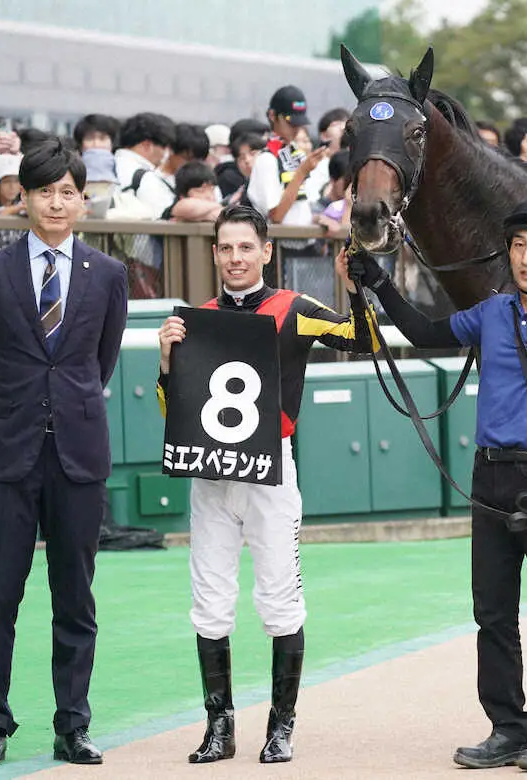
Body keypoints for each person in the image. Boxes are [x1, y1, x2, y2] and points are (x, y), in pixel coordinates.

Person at [340, 197, 527, 773]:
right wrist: (380, 282)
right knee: (493, 612)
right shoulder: (492, 312)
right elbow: (424, 331)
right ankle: (509, 728)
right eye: (518, 245)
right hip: (488, 474)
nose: (526, 257)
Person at [156, 204, 377, 765]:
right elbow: (173, 409)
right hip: (210, 472)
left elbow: (363, 340)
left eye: (245, 248)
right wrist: (165, 361)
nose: (235, 258)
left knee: (280, 597)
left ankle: (282, 727)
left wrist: (356, 289)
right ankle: (219, 726)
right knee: (209, 601)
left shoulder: (295, 308)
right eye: (226, 248)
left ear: (266, 252)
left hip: (270, 470)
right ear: (214, 253)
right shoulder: (197, 318)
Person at [0, 138, 128, 767]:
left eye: (67, 192)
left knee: (74, 598)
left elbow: (99, 361)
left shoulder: (108, 275)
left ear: (82, 201)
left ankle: (72, 725)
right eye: (44, 190)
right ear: (23, 197)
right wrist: (13, 411)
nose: (56, 202)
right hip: (6, 456)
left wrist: (63, 407)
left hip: (78, 455)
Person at [247, 85, 330, 289]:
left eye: (299, 123)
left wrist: (321, 218)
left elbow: (305, 207)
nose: (295, 128)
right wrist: (302, 172)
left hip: (307, 248)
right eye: (289, 121)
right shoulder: (266, 159)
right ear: (272, 116)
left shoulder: (296, 154)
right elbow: (276, 215)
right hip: (280, 252)